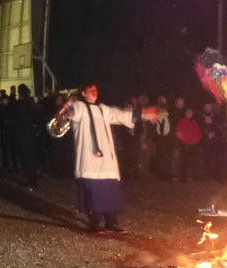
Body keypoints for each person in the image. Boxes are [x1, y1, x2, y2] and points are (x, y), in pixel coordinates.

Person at [59, 81, 160, 233]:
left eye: (95, 89)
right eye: (90, 90)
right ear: (83, 93)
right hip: (89, 158)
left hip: (106, 159)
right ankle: (95, 222)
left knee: (110, 190)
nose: (94, 92)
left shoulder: (103, 109)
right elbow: (67, 117)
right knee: (92, 190)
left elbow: (121, 115)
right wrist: (68, 107)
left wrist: (143, 114)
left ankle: (111, 222)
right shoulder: (79, 107)